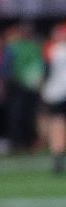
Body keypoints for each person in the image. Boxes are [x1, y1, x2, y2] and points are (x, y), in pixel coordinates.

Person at [43, 24, 66, 177]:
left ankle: (58, 156)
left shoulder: (53, 50)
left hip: (56, 92)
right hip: (58, 91)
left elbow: (46, 72)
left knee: (57, 125)